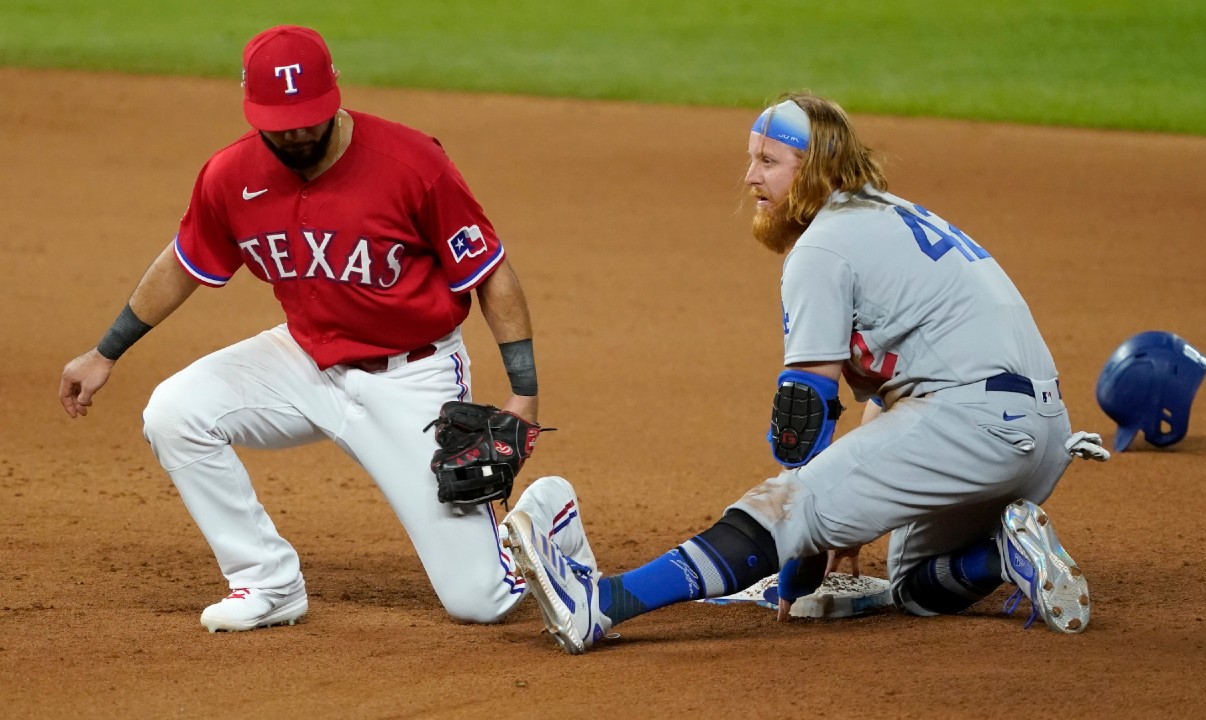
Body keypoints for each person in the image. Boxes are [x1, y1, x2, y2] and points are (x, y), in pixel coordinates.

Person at [501, 91, 1110, 654]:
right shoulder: (887, 216)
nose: (750, 178)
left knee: (780, 507)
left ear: (815, 168)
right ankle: (1002, 555)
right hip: (1042, 432)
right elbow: (892, 396)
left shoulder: (823, 247)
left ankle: (600, 605)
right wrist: (854, 494)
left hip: (971, 424)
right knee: (914, 588)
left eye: (768, 161)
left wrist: (802, 549)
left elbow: (802, 425)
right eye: (751, 159)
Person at [58, 25, 592, 632]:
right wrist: (105, 353)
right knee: (175, 412)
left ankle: (549, 512)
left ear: (334, 95)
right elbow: (183, 263)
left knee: (481, 602)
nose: (296, 132)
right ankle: (266, 582)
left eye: (309, 116)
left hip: (409, 377)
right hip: (303, 360)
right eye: (280, 121)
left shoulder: (413, 163)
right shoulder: (230, 175)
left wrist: (523, 391)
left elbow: (490, 274)